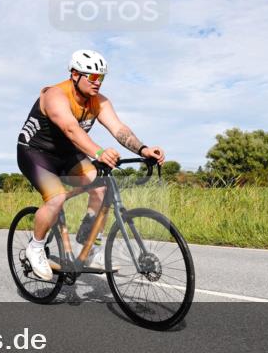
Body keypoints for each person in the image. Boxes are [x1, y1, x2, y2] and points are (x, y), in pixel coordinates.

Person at [16, 50, 165, 280]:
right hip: (35, 153)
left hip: (67, 154)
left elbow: (119, 129)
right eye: (93, 77)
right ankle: (35, 247)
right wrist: (99, 152)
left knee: (101, 187)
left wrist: (143, 149)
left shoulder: (99, 102)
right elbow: (71, 130)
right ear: (75, 74)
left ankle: (88, 247)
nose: (98, 83)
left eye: (102, 78)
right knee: (55, 198)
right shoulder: (55, 95)